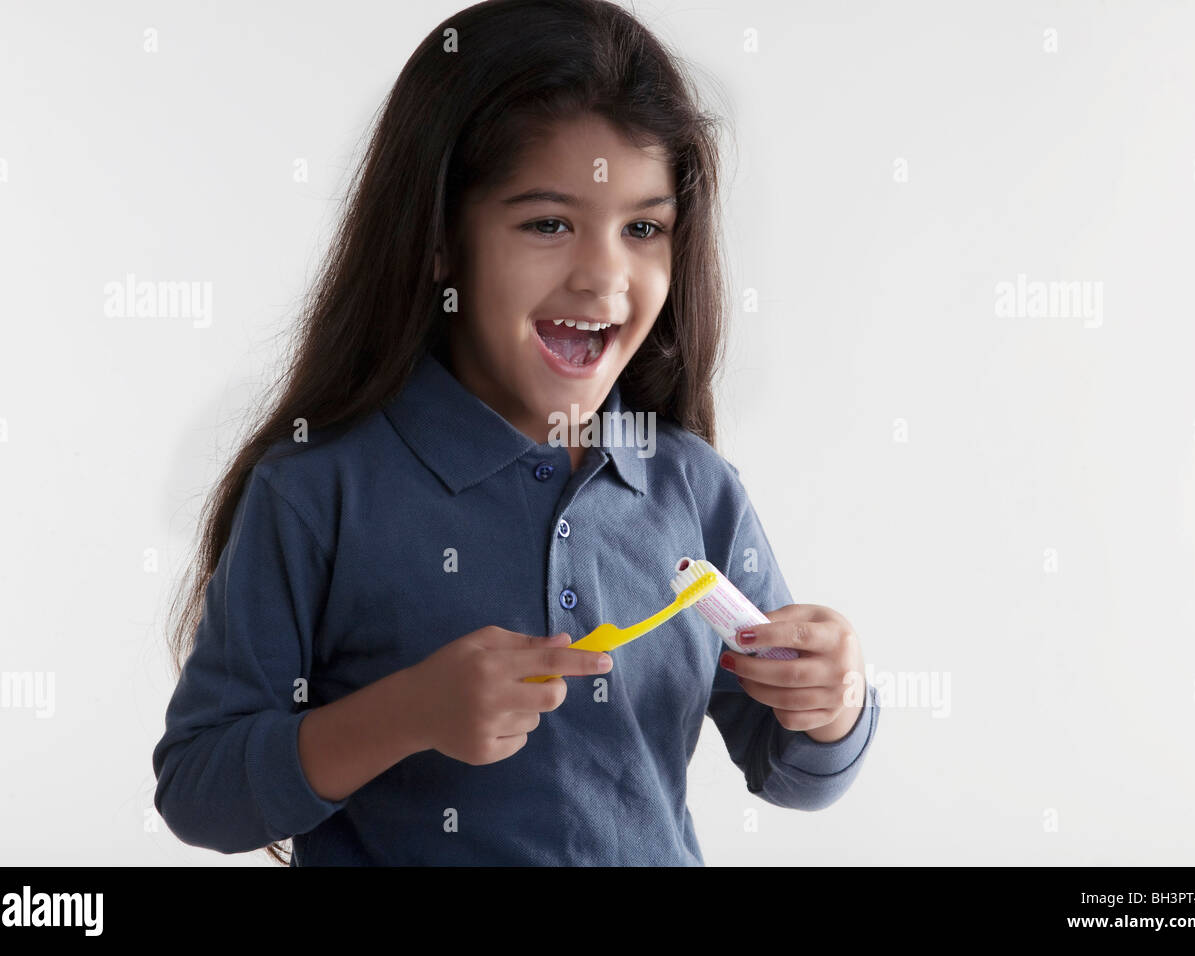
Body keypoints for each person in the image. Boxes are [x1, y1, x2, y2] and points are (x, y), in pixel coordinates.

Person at [153, 0, 879, 866]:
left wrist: (832, 703)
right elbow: (200, 791)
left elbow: (791, 770)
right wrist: (409, 712)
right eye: (548, 223)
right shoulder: (319, 492)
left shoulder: (693, 488)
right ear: (439, 242)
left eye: (644, 228)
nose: (605, 272)